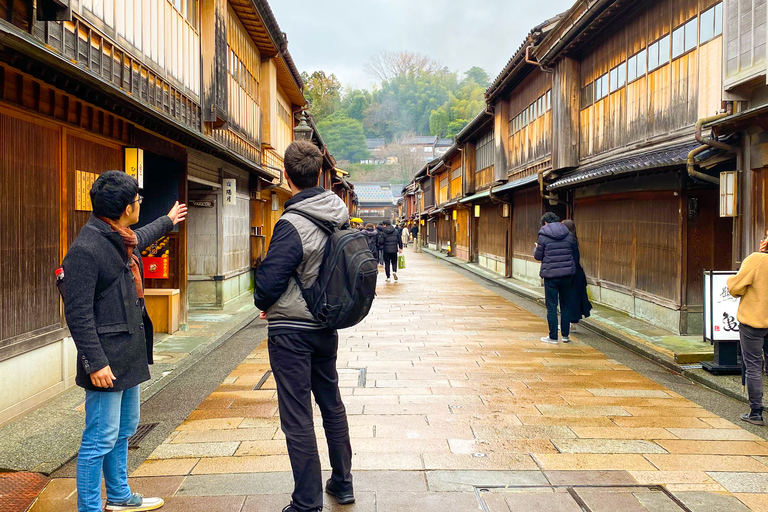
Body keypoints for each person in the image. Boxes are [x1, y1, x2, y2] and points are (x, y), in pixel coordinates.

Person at [62, 171, 186, 512]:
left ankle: (118, 496)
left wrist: (167, 220)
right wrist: (94, 362)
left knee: (123, 430)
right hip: (106, 359)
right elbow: (78, 313)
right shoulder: (85, 249)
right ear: (124, 208)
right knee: (99, 437)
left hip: (128, 352)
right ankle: (89, 507)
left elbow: (140, 237)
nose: (139, 206)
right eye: (137, 201)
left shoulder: (117, 236)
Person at [254, 140, 354, 512]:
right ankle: (342, 484)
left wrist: (266, 303)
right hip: (325, 326)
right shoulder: (338, 213)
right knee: (332, 404)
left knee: (297, 414)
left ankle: (307, 502)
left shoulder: (292, 223)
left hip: (291, 331)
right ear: (320, 175)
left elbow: (267, 285)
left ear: (286, 175)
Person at [727, 232, 768, 426]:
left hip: (754, 321)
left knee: (753, 366)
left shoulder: (757, 260)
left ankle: (756, 412)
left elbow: (735, 288)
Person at [534, 212, 577, 344]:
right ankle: (565, 336)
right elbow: (573, 252)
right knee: (565, 305)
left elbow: (538, 256)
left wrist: (536, 249)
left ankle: (553, 337)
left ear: (545, 223)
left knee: (551, 306)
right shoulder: (569, 234)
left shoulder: (543, 236)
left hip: (551, 276)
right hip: (567, 275)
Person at [562, 220, 592, 332]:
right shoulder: (573, 240)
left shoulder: (570, 241)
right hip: (576, 273)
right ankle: (572, 323)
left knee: (571, 299)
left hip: (572, 274)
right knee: (574, 299)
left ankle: (571, 324)